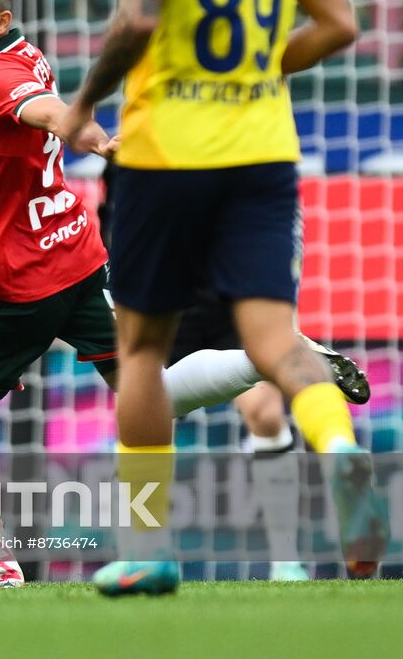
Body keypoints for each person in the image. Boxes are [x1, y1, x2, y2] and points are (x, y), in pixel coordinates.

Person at [55, 0, 389, 596]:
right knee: (274, 340)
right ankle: (348, 462)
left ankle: (149, 545)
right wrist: (258, 66)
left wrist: (88, 101)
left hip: (167, 152)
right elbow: (342, 23)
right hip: (261, 150)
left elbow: (138, 16)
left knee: (139, 349)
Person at [0, 0, 310, 590]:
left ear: (0, 21)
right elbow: (3, 127)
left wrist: (96, 138)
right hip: (77, 258)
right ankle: (272, 358)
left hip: (7, 284)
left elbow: (48, 115)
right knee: (150, 392)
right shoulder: (26, 57)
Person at [100, 162, 372, 583]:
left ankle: (282, 563)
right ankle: (337, 447)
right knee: (150, 400)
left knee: (166, 399)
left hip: (196, 252)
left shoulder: (149, 138)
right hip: (231, 224)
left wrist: (82, 113)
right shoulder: (261, 146)